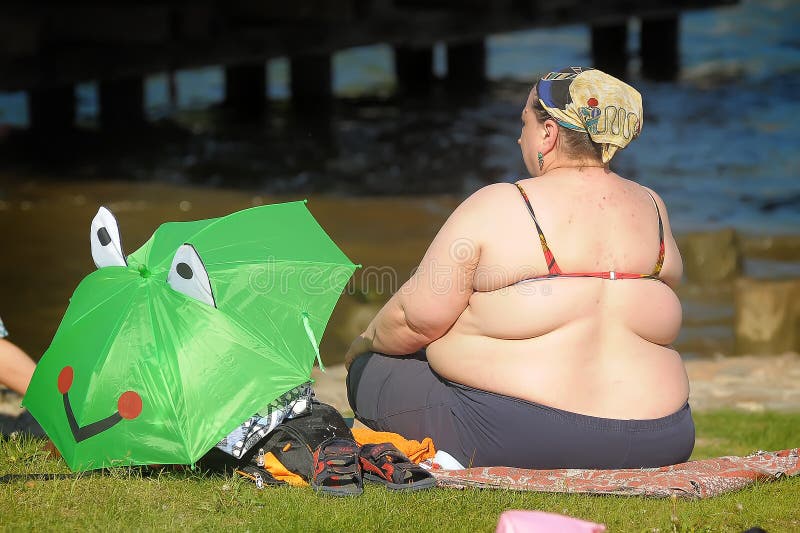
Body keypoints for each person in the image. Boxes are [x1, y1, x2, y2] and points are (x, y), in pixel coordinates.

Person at [344, 67, 694, 470]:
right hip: (662, 437)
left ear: (549, 132)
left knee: (374, 367)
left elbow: (415, 320)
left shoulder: (502, 203)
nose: (518, 138)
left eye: (523, 124)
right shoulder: (652, 206)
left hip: (517, 434)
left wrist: (362, 344)